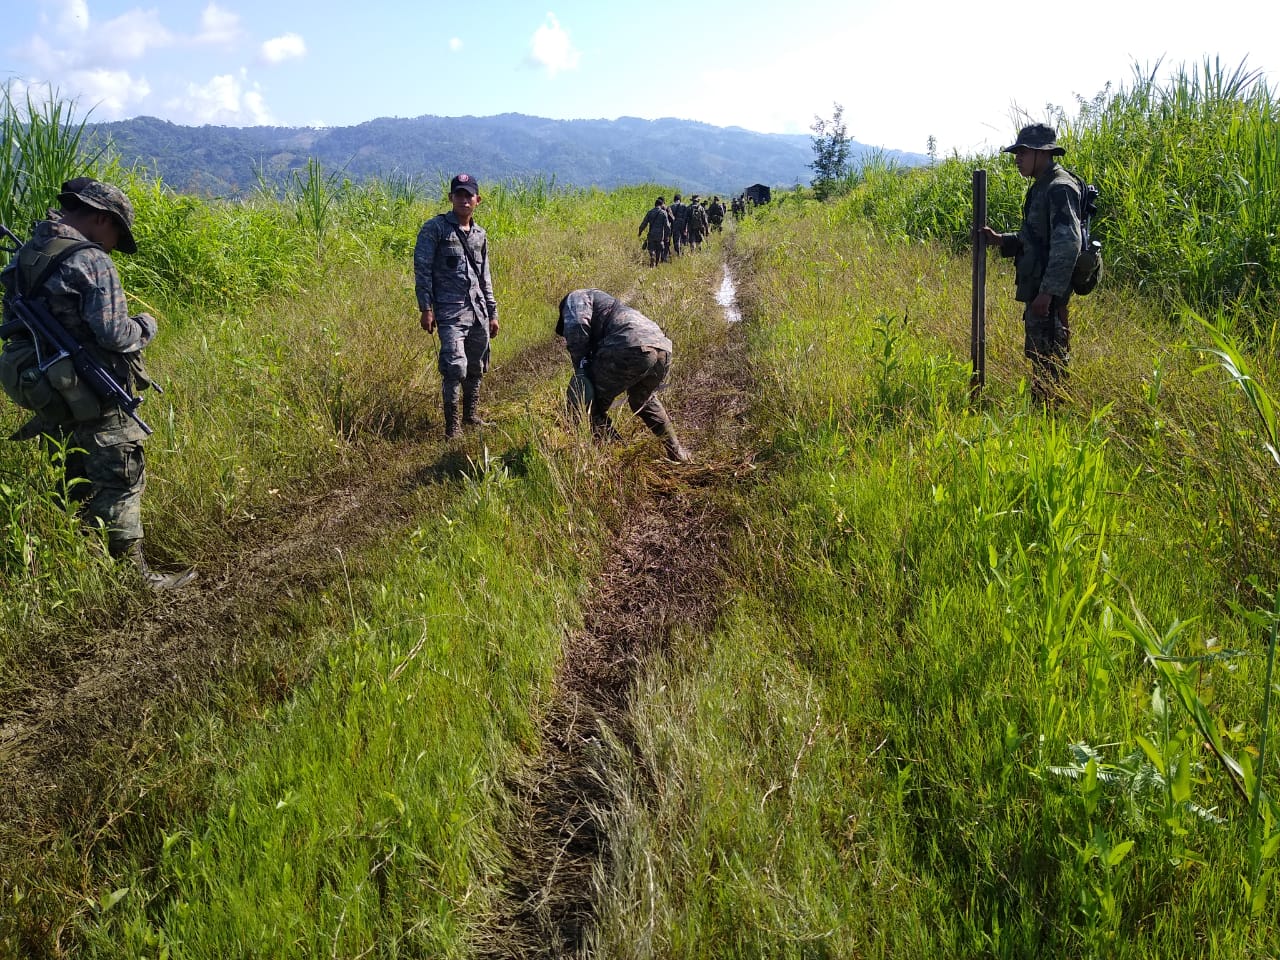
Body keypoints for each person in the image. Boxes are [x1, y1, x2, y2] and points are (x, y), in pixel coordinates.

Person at [0, 177, 195, 590]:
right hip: (96, 391)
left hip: (53, 392)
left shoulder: (28, 255)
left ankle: (78, 573)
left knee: (72, 477)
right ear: (101, 218)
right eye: (116, 234)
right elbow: (113, 334)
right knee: (120, 478)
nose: (112, 245)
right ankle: (132, 580)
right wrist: (145, 326)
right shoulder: (89, 260)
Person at [980, 123, 1082, 404]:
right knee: (1041, 357)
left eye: (1023, 152)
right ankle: (1044, 414)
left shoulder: (1059, 188)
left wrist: (1048, 293)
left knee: (1051, 361)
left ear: (1042, 153)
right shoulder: (1043, 186)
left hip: (1046, 295)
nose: (1017, 159)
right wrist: (1001, 240)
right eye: (1017, 153)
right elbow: (1035, 238)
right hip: (1039, 290)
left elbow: (1067, 243)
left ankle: (1053, 419)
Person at [556, 288, 691, 463]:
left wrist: (581, 370)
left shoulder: (574, 298)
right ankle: (677, 453)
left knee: (587, 407)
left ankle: (619, 459)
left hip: (629, 346)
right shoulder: (603, 302)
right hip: (662, 348)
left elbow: (578, 326)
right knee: (643, 400)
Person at [414, 173, 500, 438]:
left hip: (478, 312)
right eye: (459, 194)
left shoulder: (480, 235)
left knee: (476, 366)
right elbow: (422, 269)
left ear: (478, 200)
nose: (464, 200)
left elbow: (485, 276)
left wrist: (492, 312)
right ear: (451, 198)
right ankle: (452, 429)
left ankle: (470, 416)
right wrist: (426, 308)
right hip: (450, 312)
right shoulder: (435, 229)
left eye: (469, 195)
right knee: (455, 367)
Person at [638, 196, 671, 267]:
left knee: (651, 248)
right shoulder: (663, 213)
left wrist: (640, 231)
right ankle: (656, 263)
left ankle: (652, 255)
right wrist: (667, 235)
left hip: (651, 234)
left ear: (655, 205)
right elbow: (667, 226)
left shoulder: (650, 212)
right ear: (661, 205)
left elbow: (644, 223)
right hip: (660, 235)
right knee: (659, 249)